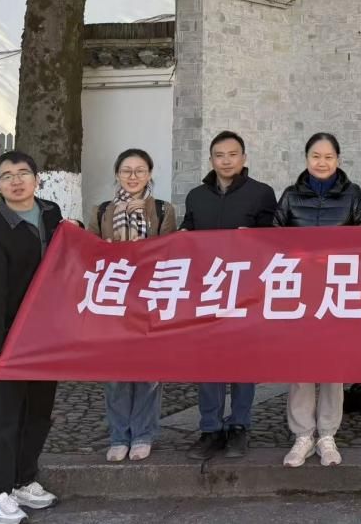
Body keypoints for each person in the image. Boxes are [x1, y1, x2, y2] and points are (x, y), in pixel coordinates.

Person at [0, 151, 63, 524]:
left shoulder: (51, 213)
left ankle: (24, 480)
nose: (16, 180)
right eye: (7, 176)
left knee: (37, 413)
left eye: (23, 172)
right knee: (3, 418)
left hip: (47, 333)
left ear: (36, 179)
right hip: (10, 335)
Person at [275, 133, 361, 468]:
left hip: (337, 292)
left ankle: (327, 434)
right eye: (316, 156)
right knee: (301, 366)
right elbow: (273, 240)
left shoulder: (353, 195)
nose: (322, 162)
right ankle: (302, 434)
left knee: (332, 366)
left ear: (338, 160)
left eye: (329, 157)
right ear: (306, 159)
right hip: (299, 293)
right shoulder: (290, 196)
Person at [180, 130, 276, 461]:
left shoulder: (261, 193)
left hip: (247, 291)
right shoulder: (196, 196)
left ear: (244, 158)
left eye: (233, 154)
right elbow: (187, 233)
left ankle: (239, 426)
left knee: (243, 362)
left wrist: (256, 238)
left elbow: (276, 238)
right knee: (208, 363)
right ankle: (210, 428)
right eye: (219, 155)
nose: (226, 161)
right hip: (207, 291)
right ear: (211, 160)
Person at [88, 148, 177, 463]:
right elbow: (91, 252)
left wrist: (145, 242)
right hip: (114, 300)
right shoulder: (102, 211)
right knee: (115, 372)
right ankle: (118, 435)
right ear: (117, 174)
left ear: (150, 174)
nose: (133, 176)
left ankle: (143, 434)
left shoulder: (163, 210)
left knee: (148, 371)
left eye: (140, 170)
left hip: (150, 298)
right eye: (126, 170)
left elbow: (169, 251)